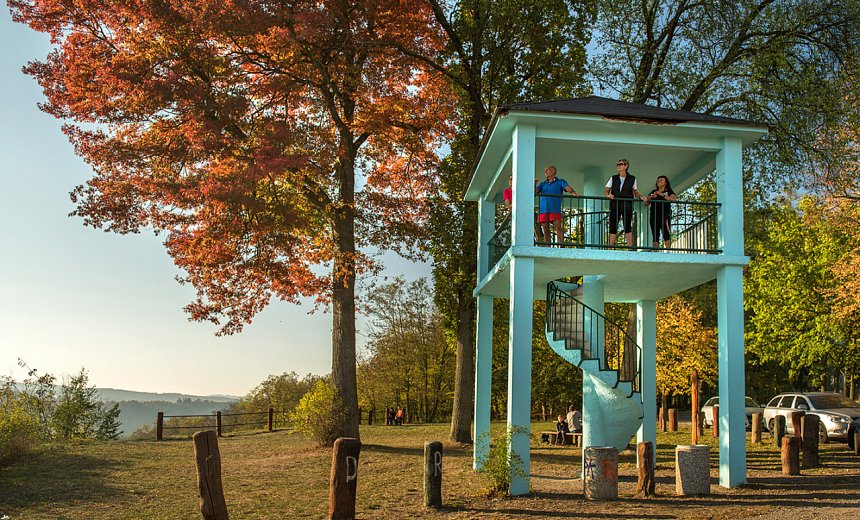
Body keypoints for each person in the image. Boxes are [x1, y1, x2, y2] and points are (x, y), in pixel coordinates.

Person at [604, 159, 643, 247]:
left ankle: (629, 247)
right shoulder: (613, 178)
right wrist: (608, 195)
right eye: (617, 164)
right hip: (615, 205)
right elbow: (606, 190)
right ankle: (610, 247)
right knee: (613, 226)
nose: (618, 166)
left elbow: (635, 191)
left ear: (626, 166)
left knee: (627, 226)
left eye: (621, 164)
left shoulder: (632, 178)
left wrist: (641, 196)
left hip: (627, 205)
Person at [534, 165, 578, 245]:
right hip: (543, 209)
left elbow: (567, 187)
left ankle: (561, 245)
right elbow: (535, 191)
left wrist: (573, 192)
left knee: (558, 227)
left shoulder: (560, 181)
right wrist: (534, 183)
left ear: (553, 171)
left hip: (555, 209)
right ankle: (548, 246)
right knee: (546, 229)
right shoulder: (543, 184)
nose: (545, 172)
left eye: (547, 170)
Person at [643, 175, 677, 249]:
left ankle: (668, 251)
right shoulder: (653, 192)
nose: (659, 181)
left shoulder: (668, 191)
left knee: (666, 234)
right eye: (658, 180)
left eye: (661, 180)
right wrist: (651, 197)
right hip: (654, 216)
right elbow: (646, 203)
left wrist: (662, 195)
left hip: (665, 216)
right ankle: (655, 252)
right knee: (655, 235)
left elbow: (673, 199)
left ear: (665, 183)